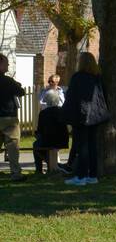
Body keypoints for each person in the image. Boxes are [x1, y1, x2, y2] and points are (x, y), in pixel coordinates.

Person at [63, 51, 108, 186]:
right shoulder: (97, 77)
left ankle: (81, 176)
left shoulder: (77, 77)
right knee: (92, 145)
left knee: (82, 146)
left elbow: (71, 97)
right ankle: (92, 175)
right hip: (95, 116)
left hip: (81, 116)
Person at [0, 52, 25, 180]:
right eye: (6, 63)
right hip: (8, 117)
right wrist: (18, 85)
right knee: (13, 146)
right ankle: (15, 173)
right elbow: (21, 92)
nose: (8, 65)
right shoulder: (8, 81)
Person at [32, 88, 69, 174]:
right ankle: (54, 166)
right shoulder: (62, 111)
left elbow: (40, 130)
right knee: (43, 146)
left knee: (36, 145)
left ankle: (39, 169)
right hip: (63, 140)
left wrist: (38, 135)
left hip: (48, 140)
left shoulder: (43, 113)